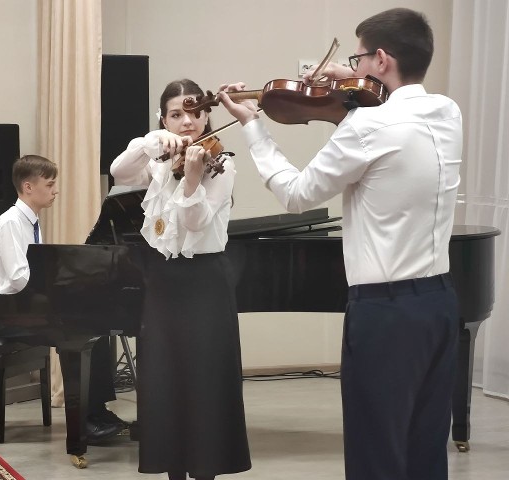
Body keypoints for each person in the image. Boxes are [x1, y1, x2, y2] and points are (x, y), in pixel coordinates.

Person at [219, 8, 462, 480]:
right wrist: (348, 80)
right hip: (440, 304)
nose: (355, 68)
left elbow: (296, 194)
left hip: (385, 313)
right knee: (426, 452)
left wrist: (253, 127)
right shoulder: (446, 112)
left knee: (376, 456)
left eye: (360, 58)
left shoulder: (367, 128)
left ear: (382, 60)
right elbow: (377, 128)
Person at [110, 79, 251, 480]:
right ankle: (172, 470)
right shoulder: (157, 160)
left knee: (204, 379)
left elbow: (195, 223)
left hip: (205, 282)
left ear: (206, 116)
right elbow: (118, 171)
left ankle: (206, 470)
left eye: (195, 113)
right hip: (162, 279)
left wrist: (191, 180)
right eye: (176, 115)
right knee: (163, 377)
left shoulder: (221, 163)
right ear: (164, 119)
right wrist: (151, 141)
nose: (187, 122)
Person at [0, 154, 125, 444]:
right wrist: (58, 293)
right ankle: (83, 422)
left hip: (19, 306)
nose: (56, 191)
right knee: (74, 332)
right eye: (50, 184)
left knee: (96, 327)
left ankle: (98, 411)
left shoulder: (30, 221)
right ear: (28, 187)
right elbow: (19, 279)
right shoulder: (10, 222)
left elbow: (35, 274)